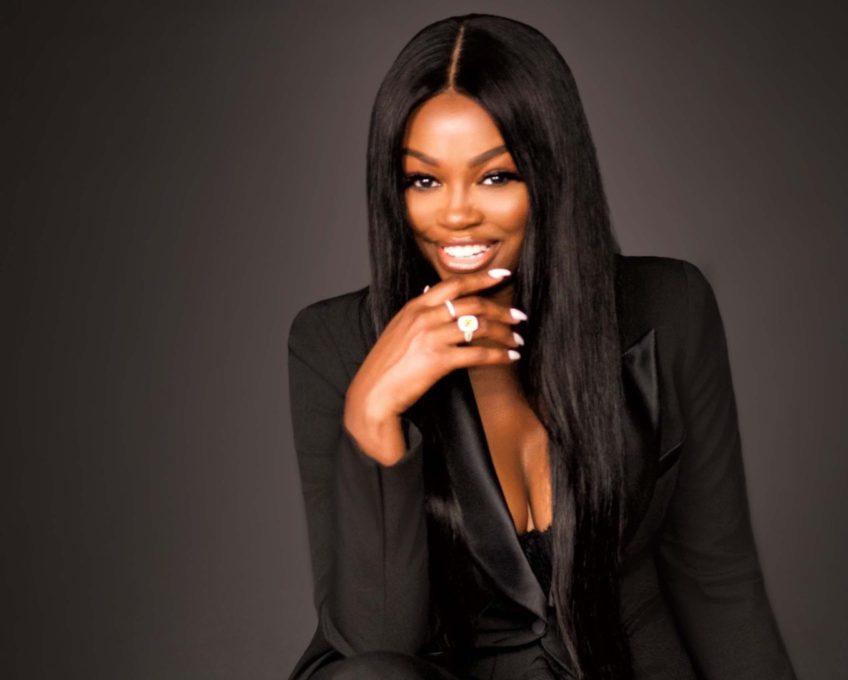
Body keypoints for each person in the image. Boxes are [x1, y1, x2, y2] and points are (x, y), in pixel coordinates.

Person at [286, 12, 797, 680]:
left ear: (552, 175)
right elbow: (377, 642)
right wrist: (373, 414)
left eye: (496, 176)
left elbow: (717, 576)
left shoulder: (669, 307)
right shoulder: (333, 344)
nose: (456, 213)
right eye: (424, 180)